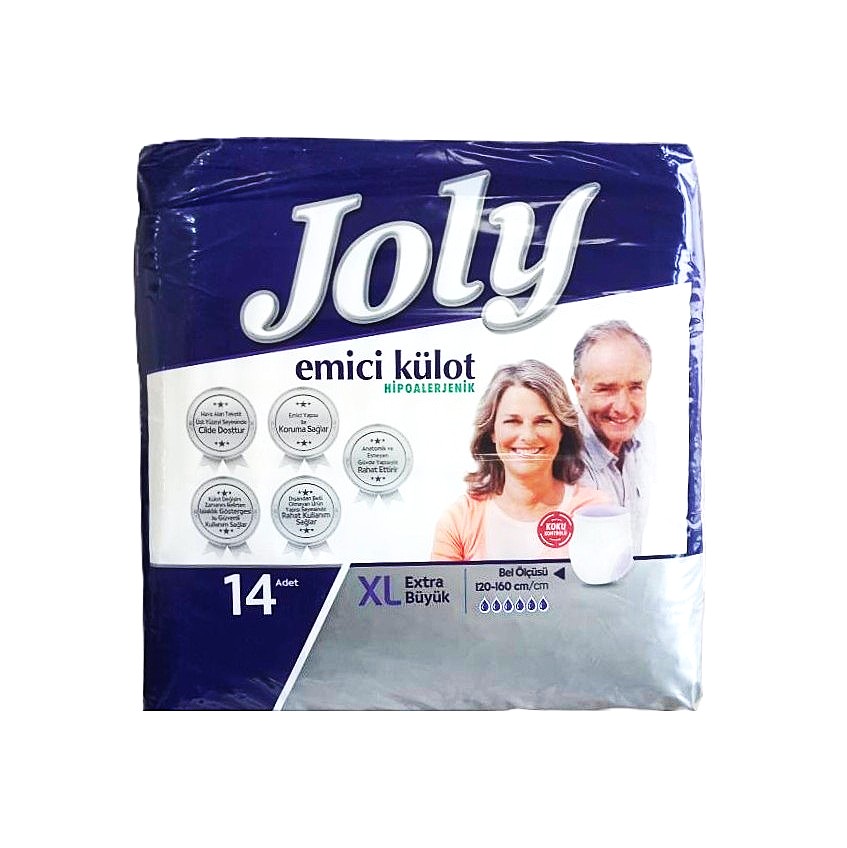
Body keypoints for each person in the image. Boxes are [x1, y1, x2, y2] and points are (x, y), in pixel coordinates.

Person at [432, 360, 608, 561]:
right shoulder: (459, 520)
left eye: (543, 421)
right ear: (492, 432)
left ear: (562, 430)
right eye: (512, 421)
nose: (528, 436)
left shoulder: (594, 511)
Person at [571, 320, 654, 553]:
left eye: (635, 387)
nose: (623, 408)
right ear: (578, 390)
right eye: (606, 389)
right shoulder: (554, 455)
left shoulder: (652, 439)